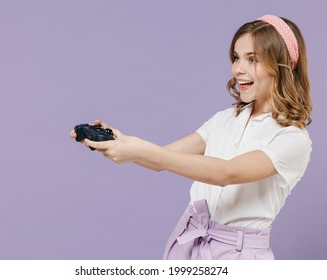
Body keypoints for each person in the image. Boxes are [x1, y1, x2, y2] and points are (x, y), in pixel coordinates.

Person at [70, 14, 312, 260]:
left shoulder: (292, 139)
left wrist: (138, 149)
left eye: (253, 59)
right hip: (192, 240)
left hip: (240, 255)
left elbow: (226, 173)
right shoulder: (225, 119)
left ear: (283, 65)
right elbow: (159, 160)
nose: (238, 69)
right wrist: (116, 142)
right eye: (237, 57)